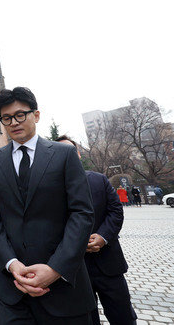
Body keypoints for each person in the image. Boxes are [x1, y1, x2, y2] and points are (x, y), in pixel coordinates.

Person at [0, 87, 95, 324]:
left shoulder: (64, 154)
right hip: (13, 288)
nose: (14, 122)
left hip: (63, 287)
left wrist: (55, 268)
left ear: (36, 114)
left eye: (20, 114)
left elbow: (82, 213)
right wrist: (11, 263)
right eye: (7, 118)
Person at [57, 135, 137, 325]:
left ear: (77, 154)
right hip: (75, 268)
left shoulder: (99, 180)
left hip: (108, 262)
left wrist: (102, 237)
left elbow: (116, 211)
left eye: (69, 150)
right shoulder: (49, 189)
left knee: (123, 316)